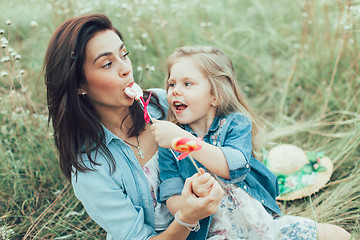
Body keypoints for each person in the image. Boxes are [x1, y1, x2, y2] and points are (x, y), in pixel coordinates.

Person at [43, 15, 224, 240]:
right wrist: (188, 217)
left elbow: (225, 130)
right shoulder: (90, 168)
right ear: (79, 85)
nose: (126, 69)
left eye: (124, 54)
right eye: (107, 64)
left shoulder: (164, 103)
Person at [151, 46, 352, 239]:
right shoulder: (169, 146)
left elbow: (234, 166)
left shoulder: (234, 123)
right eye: (172, 84)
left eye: (187, 84)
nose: (175, 91)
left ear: (215, 95)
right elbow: (174, 202)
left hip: (264, 227)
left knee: (338, 235)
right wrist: (192, 198)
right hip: (216, 234)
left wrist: (184, 141)